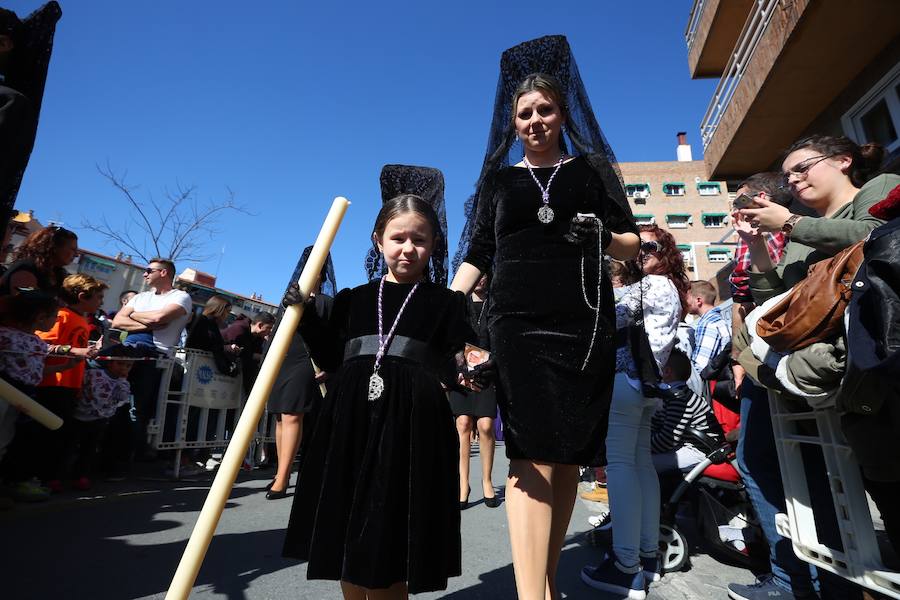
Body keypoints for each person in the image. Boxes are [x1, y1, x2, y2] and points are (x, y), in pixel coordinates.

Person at [451, 39, 640, 600]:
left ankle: (546, 581)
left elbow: (633, 243)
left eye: (544, 110)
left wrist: (603, 237)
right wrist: (449, 306)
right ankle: (532, 593)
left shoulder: (592, 169)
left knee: (564, 456)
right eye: (524, 114)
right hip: (515, 324)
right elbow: (478, 251)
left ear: (562, 114)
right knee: (530, 451)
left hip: (583, 326)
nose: (534, 120)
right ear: (511, 124)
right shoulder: (499, 182)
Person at [282, 195, 481, 599]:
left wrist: (472, 361)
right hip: (349, 417)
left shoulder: (446, 303)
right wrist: (302, 315)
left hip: (411, 423)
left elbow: (458, 355)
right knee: (347, 531)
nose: (408, 248)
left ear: (434, 244)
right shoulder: (353, 298)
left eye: (420, 240)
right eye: (398, 238)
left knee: (390, 531)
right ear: (379, 241)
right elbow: (331, 356)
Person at [728, 135, 900, 600]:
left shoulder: (880, 188)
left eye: (802, 168)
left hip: (861, 364)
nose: (793, 180)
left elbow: (878, 237)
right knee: (777, 462)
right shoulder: (801, 238)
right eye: (788, 176)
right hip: (809, 371)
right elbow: (779, 305)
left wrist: (787, 221)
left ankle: (811, 582)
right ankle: (814, 581)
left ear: (844, 161)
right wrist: (760, 245)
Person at [580, 225, 685, 598]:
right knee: (640, 466)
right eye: (636, 244)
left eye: (650, 244)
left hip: (625, 382)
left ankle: (625, 566)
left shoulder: (652, 285)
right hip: (643, 387)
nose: (640, 250)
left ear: (666, 251)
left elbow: (602, 317)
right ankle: (645, 556)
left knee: (622, 466)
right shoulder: (664, 286)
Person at [266, 247, 335, 501]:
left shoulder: (327, 302)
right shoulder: (288, 298)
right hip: (283, 360)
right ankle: (278, 472)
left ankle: (284, 477)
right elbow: (275, 334)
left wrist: (329, 365)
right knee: (280, 417)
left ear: (321, 275)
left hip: (306, 360)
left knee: (293, 414)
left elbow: (330, 337)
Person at [112, 258, 192, 460]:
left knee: (137, 408)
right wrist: (147, 324)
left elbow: (159, 319)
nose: (144, 274)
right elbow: (118, 321)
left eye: (149, 270)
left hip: (156, 358)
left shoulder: (181, 297)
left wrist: (134, 316)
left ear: (164, 273)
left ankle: (129, 458)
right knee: (115, 404)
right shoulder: (140, 297)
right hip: (128, 352)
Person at [33, 274, 107, 491]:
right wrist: (75, 351)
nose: (101, 302)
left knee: (62, 435)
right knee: (48, 434)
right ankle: (41, 477)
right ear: (83, 296)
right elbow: (41, 344)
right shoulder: (61, 316)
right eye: (99, 297)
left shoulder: (82, 320)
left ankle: (53, 476)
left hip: (71, 385)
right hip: (51, 383)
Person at [0, 290, 59, 502]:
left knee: (11, 441)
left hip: (25, 397)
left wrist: (65, 366)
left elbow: (33, 371)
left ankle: (11, 483)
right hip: (6, 394)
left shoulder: (35, 341)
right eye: (55, 316)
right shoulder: (6, 336)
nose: (56, 321)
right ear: (40, 317)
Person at [448, 272, 499, 509]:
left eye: (484, 275)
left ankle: (487, 480)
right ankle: (462, 483)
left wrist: (494, 361)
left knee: (486, 425)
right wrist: (458, 361)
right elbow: (450, 337)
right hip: (462, 370)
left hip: (488, 372)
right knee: (463, 424)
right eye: (476, 275)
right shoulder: (459, 303)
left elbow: (503, 337)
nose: (480, 279)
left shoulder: (496, 302)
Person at [66, 345, 134, 490]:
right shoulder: (94, 374)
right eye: (120, 364)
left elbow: (122, 398)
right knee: (69, 446)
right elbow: (80, 386)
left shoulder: (123, 384)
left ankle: (81, 476)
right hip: (79, 415)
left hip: (100, 419)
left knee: (89, 449)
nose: (123, 368)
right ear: (110, 362)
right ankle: (58, 476)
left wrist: (122, 381)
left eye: (128, 365)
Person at [0, 224, 77, 298]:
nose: (76, 255)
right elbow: (26, 300)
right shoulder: (26, 268)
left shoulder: (59, 275)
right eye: (73, 249)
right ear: (54, 247)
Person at [185, 295, 238, 376]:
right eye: (227, 311)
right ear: (219, 309)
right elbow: (202, 342)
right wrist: (224, 347)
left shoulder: (212, 323)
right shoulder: (203, 320)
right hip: (196, 366)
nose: (228, 315)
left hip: (200, 366)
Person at [686, 280, 731, 374]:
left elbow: (700, 365)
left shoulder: (708, 324)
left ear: (698, 300)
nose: (684, 302)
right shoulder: (717, 321)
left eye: (686, 298)